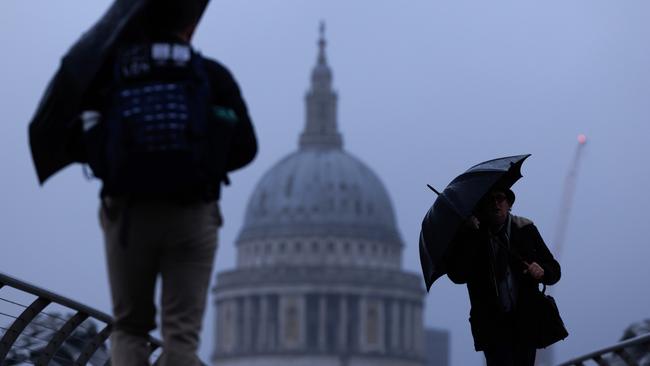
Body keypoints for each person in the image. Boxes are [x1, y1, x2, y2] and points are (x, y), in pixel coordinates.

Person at [78, 1, 257, 365]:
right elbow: (246, 147)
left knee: (129, 327)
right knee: (182, 335)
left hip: (127, 215)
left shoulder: (111, 75)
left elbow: (90, 150)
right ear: (189, 27)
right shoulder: (212, 76)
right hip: (193, 214)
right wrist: (206, 170)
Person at [445, 186, 561, 366]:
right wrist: (469, 236)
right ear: (482, 206)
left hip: (525, 322)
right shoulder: (472, 234)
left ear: (509, 204)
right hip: (492, 328)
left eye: (500, 198)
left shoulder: (525, 229)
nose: (496, 204)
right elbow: (458, 275)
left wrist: (543, 271)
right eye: (490, 200)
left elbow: (554, 270)